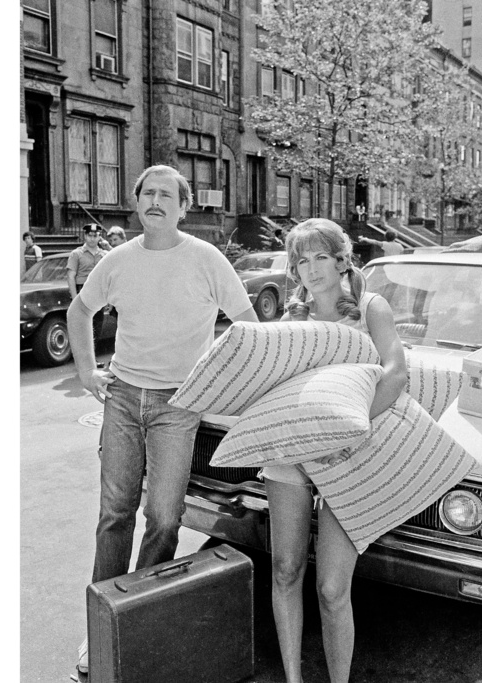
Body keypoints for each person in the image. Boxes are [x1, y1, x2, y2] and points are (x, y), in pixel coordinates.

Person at [68, 165, 258, 673]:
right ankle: (100, 627)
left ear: (183, 206)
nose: (156, 200)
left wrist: (223, 379)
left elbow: (250, 326)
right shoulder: (117, 260)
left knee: (166, 517)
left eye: (166, 194)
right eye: (147, 192)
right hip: (124, 398)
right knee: (115, 513)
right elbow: (80, 311)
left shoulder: (205, 259)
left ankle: (138, 615)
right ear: (136, 202)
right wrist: (87, 370)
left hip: (180, 403)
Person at [264, 218, 407, 683]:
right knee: (285, 569)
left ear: (342, 260)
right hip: (292, 457)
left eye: (320, 257)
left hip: (351, 456)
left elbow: (396, 374)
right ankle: (292, 678)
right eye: (301, 261)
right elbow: (276, 389)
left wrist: (348, 433)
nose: (311, 269)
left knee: (330, 588)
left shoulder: (370, 308)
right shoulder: (292, 320)